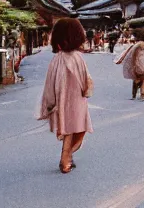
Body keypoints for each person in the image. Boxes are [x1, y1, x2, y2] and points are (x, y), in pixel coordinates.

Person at [36, 18, 94, 174]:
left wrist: (50, 102)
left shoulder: (56, 59)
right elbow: (86, 80)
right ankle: (66, 158)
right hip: (77, 99)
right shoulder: (77, 57)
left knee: (68, 128)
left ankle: (67, 157)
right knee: (77, 127)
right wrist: (86, 91)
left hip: (61, 99)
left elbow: (50, 82)